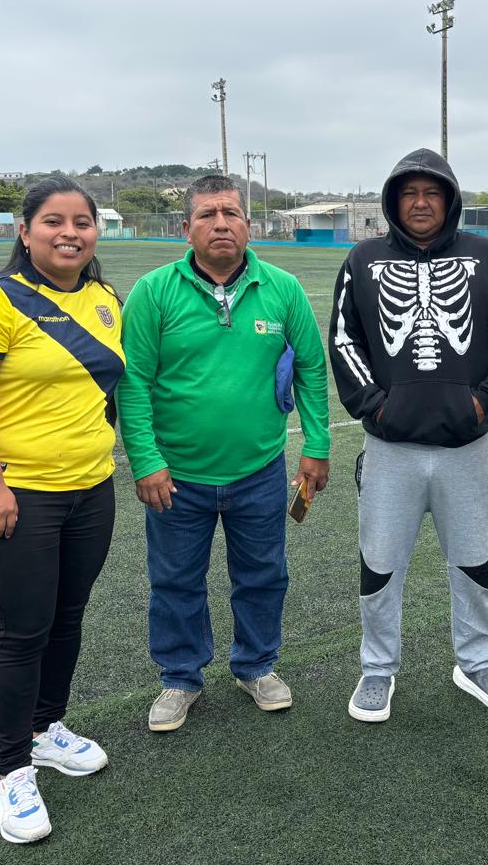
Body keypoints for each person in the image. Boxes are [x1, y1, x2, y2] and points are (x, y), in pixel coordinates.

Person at [0, 177, 124, 844]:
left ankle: (46, 730)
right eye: (53, 221)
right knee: (20, 632)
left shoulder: (104, 299)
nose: (70, 233)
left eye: (82, 221)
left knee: (67, 616)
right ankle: (11, 770)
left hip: (90, 489)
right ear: (24, 231)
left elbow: (105, 392)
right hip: (13, 496)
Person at [117, 174, 330, 733]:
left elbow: (311, 368)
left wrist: (317, 445)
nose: (220, 224)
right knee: (175, 583)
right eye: (207, 214)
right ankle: (180, 677)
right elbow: (133, 383)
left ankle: (256, 666)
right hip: (176, 476)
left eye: (231, 213)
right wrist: (146, 460)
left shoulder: (283, 289)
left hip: (259, 471)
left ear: (248, 226)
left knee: (263, 575)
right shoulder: (153, 291)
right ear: (185, 227)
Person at [329, 147, 488, 722]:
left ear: (450, 199)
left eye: (432, 192)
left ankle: (476, 663)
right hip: (389, 450)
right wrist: (375, 408)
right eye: (410, 193)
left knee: (475, 561)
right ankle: (377, 669)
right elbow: (343, 339)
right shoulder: (363, 259)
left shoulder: (487, 256)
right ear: (394, 202)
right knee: (379, 564)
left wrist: (484, 398)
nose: (421, 203)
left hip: (467, 449)